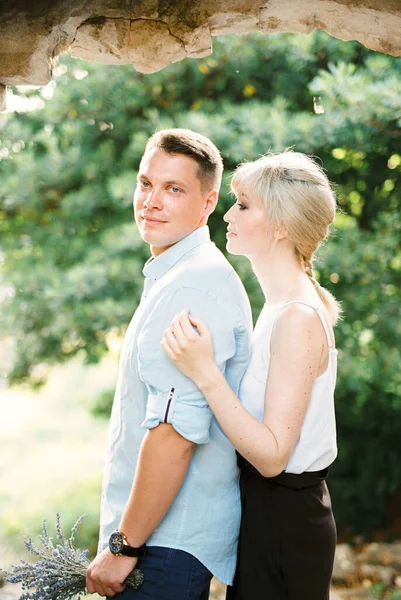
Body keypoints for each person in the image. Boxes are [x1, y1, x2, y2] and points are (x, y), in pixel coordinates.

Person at [162, 150, 340, 600]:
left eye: (243, 205)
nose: (227, 213)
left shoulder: (297, 316)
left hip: (286, 525)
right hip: (268, 514)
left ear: (280, 225)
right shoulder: (280, 305)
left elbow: (273, 455)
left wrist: (205, 373)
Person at [86, 128, 253, 600]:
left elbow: (176, 435)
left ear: (207, 202)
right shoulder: (179, 274)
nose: (151, 201)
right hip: (162, 543)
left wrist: (123, 546)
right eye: (146, 183)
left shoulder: (191, 286)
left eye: (174, 189)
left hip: (162, 547)